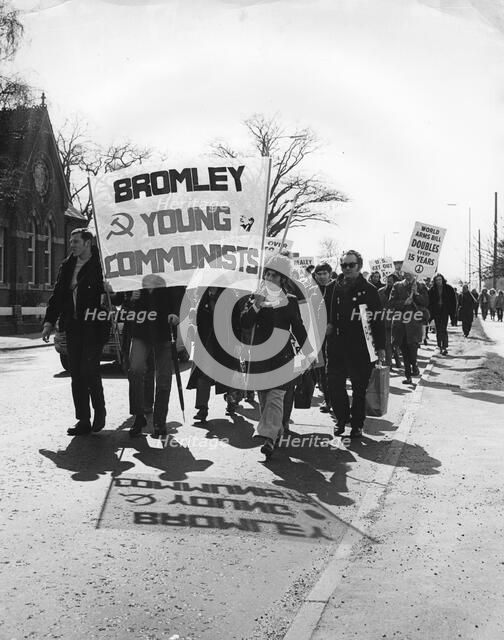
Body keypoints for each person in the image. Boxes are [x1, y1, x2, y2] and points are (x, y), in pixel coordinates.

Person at [240, 254, 312, 460]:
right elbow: (245, 323)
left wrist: (307, 351)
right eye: (267, 274)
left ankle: (268, 438)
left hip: (282, 357)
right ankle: (276, 430)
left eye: (274, 275)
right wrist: (256, 305)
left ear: (282, 279)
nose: (270, 278)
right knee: (264, 399)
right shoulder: (255, 298)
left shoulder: (289, 301)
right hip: (260, 357)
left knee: (275, 397)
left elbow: (298, 327)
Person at [42, 228, 107, 435]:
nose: (72, 245)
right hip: (73, 326)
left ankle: (99, 411)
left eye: (76, 241)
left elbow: (116, 297)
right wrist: (49, 322)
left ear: (88, 243)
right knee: (76, 374)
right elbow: (58, 295)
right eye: (71, 241)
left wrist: (110, 290)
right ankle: (83, 420)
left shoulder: (102, 265)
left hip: (94, 326)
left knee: (90, 370)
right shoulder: (68, 265)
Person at [324, 250, 386, 438]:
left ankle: (357, 423)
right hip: (336, 345)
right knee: (334, 384)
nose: (347, 268)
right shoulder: (332, 288)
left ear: (359, 266)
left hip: (361, 346)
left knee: (359, 388)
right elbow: (323, 312)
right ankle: (342, 419)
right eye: (344, 265)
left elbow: (378, 320)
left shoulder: (369, 290)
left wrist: (381, 347)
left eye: (351, 265)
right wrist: (325, 324)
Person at [122, 286, 180, 438]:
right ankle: (139, 416)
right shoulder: (135, 275)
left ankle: (159, 422)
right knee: (135, 370)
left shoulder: (169, 270)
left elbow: (179, 291)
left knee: (164, 377)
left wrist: (176, 313)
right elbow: (125, 305)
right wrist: (130, 299)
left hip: (163, 329)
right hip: (141, 331)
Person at [187, 286, 243, 422]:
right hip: (207, 341)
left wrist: (237, 343)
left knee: (228, 373)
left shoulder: (229, 294)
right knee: (203, 373)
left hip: (226, 342)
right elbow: (198, 319)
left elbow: (237, 320)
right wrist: (193, 315)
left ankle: (232, 402)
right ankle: (202, 408)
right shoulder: (202, 294)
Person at [390, 271, 429, 384]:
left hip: (414, 324)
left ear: (414, 274)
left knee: (412, 349)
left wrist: (416, 294)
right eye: (406, 273)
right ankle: (408, 375)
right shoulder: (397, 286)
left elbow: (426, 302)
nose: (407, 275)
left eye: (410, 273)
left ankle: (414, 365)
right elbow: (391, 303)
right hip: (401, 324)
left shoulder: (421, 286)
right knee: (404, 349)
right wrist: (404, 302)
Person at [311, 262, 334, 413]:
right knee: (321, 371)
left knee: (331, 370)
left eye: (325, 273)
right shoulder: (311, 291)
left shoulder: (336, 289)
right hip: (316, 336)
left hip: (333, 337)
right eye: (319, 274)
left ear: (330, 274)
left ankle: (332, 399)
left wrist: (332, 324)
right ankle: (328, 398)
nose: (322, 276)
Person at [427, 273, 457, 355]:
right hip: (436, 311)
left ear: (442, 280)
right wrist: (430, 315)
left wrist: (453, 314)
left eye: (440, 279)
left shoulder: (449, 288)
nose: (438, 281)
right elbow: (429, 302)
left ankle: (444, 346)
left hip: (445, 311)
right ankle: (439, 345)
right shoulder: (432, 290)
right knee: (438, 328)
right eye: (437, 280)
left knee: (443, 328)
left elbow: (453, 302)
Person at [378, 274, 401, 369]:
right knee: (387, 342)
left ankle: (397, 361)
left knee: (394, 343)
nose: (389, 282)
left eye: (391, 280)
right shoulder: (380, 291)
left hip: (396, 319)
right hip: (383, 319)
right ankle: (388, 363)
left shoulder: (399, 291)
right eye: (388, 280)